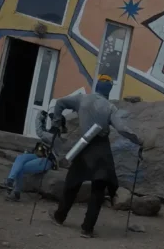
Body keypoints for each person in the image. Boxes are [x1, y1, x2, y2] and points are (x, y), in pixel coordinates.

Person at [49, 75, 143, 238]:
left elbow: (60, 103)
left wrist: (56, 123)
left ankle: (59, 216)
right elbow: (122, 129)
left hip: (83, 146)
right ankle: (87, 229)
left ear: (96, 86)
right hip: (101, 148)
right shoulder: (110, 107)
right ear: (109, 90)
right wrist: (138, 140)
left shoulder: (82, 99)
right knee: (98, 189)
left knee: (72, 183)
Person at [0, 111, 63, 201]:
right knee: (20, 158)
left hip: (47, 161)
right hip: (39, 155)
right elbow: (43, 130)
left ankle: (16, 192)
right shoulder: (51, 133)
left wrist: (39, 117)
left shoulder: (56, 137)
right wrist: (43, 119)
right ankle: (10, 181)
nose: (52, 123)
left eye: (54, 121)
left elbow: (40, 132)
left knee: (22, 168)